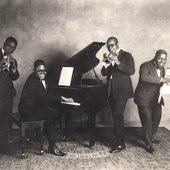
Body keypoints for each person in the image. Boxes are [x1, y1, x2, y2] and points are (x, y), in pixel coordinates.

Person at [19, 59, 69, 156]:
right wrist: (62, 98)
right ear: (34, 70)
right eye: (39, 71)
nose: (43, 73)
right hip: (27, 109)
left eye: (44, 70)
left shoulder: (44, 79)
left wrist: (59, 98)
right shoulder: (32, 80)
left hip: (36, 106)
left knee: (52, 111)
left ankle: (48, 136)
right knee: (50, 115)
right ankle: (52, 145)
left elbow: (46, 95)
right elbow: (43, 96)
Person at [101, 37, 135, 153]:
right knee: (115, 116)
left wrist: (118, 62)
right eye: (108, 46)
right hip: (112, 90)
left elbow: (131, 71)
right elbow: (103, 73)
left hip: (122, 91)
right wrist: (106, 62)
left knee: (118, 116)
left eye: (112, 45)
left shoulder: (126, 55)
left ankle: (120, 144)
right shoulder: (109, 56)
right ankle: (117, 139)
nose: (111, 48)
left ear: (117, 44)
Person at [134, 49, 170, 154]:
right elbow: (144, 77)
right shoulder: (145, 65)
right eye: (160, 58)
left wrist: (166, 85)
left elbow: (162, 83)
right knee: (147, 121)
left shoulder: (163, 68)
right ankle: (148, 143)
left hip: (156, 98)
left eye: (164, 59)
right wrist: (163, 80)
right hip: (143, 98)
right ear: (155, 56)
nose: (162, 61)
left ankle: (149, 136)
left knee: (157, 118)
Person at [0, 37, 19, 154]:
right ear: (4, 44)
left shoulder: (13, 60)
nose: (10, 49)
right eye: (8, 46)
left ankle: (4, 147)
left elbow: (15, 77)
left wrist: (13, 68)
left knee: (6, 121)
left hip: (7, 95)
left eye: (13, 48)